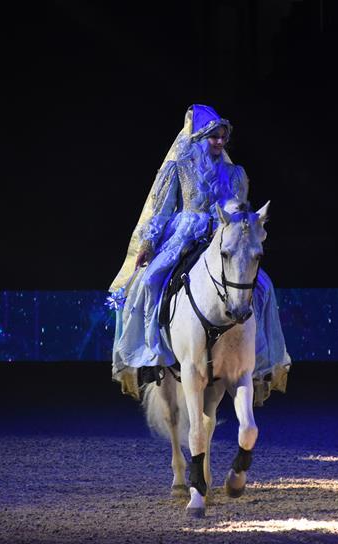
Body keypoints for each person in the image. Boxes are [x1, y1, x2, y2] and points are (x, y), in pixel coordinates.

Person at [108, 104, 290, 404]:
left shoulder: (235, 173)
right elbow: (162, 209)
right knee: (150, 280)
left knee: (263, 287)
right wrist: (148, 244)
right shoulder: (178, 168)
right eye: (213, 136)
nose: (219, 142)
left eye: (222, 137)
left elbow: (238, 209)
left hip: (222, 237)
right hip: (183, 235)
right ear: (200, 137)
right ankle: (153, 354)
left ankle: (258, 362)